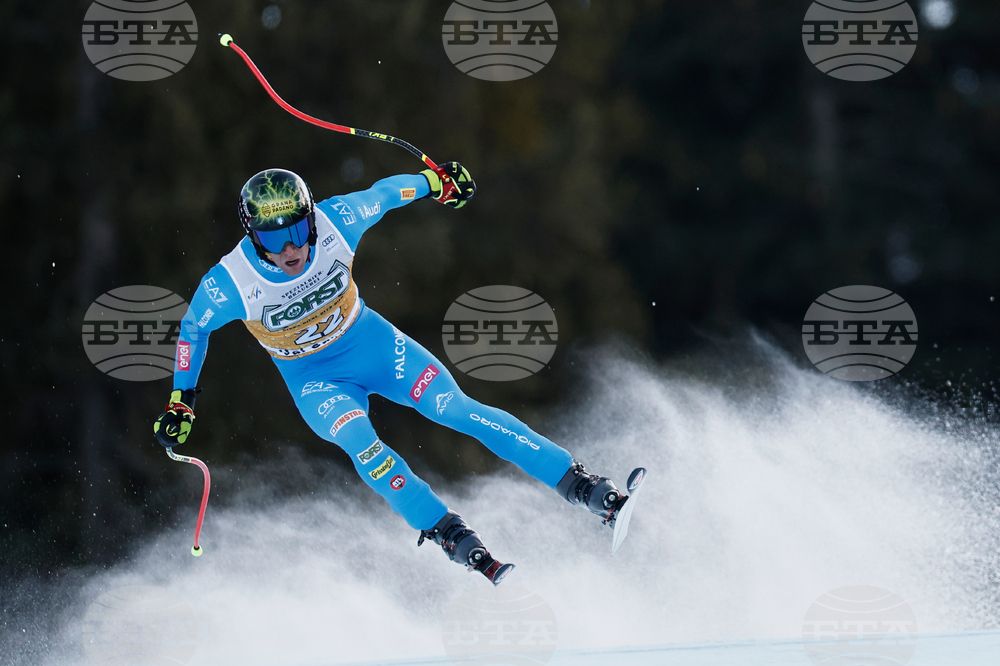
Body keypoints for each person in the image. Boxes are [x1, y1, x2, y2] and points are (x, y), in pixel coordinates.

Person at [154, 163, 631, 585]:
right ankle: (448, 532)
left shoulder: (336, 221)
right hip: (316, 381)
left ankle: (587, 489)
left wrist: (434, 182)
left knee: (455, 409)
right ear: (254, 235)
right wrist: (182, 400)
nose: (293, 248)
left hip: (373, 345)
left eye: (299, 231)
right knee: (364, 443)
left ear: (312, 217)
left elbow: (386, 194)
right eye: (276, 240)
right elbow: (193, 330)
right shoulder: (231, 281)